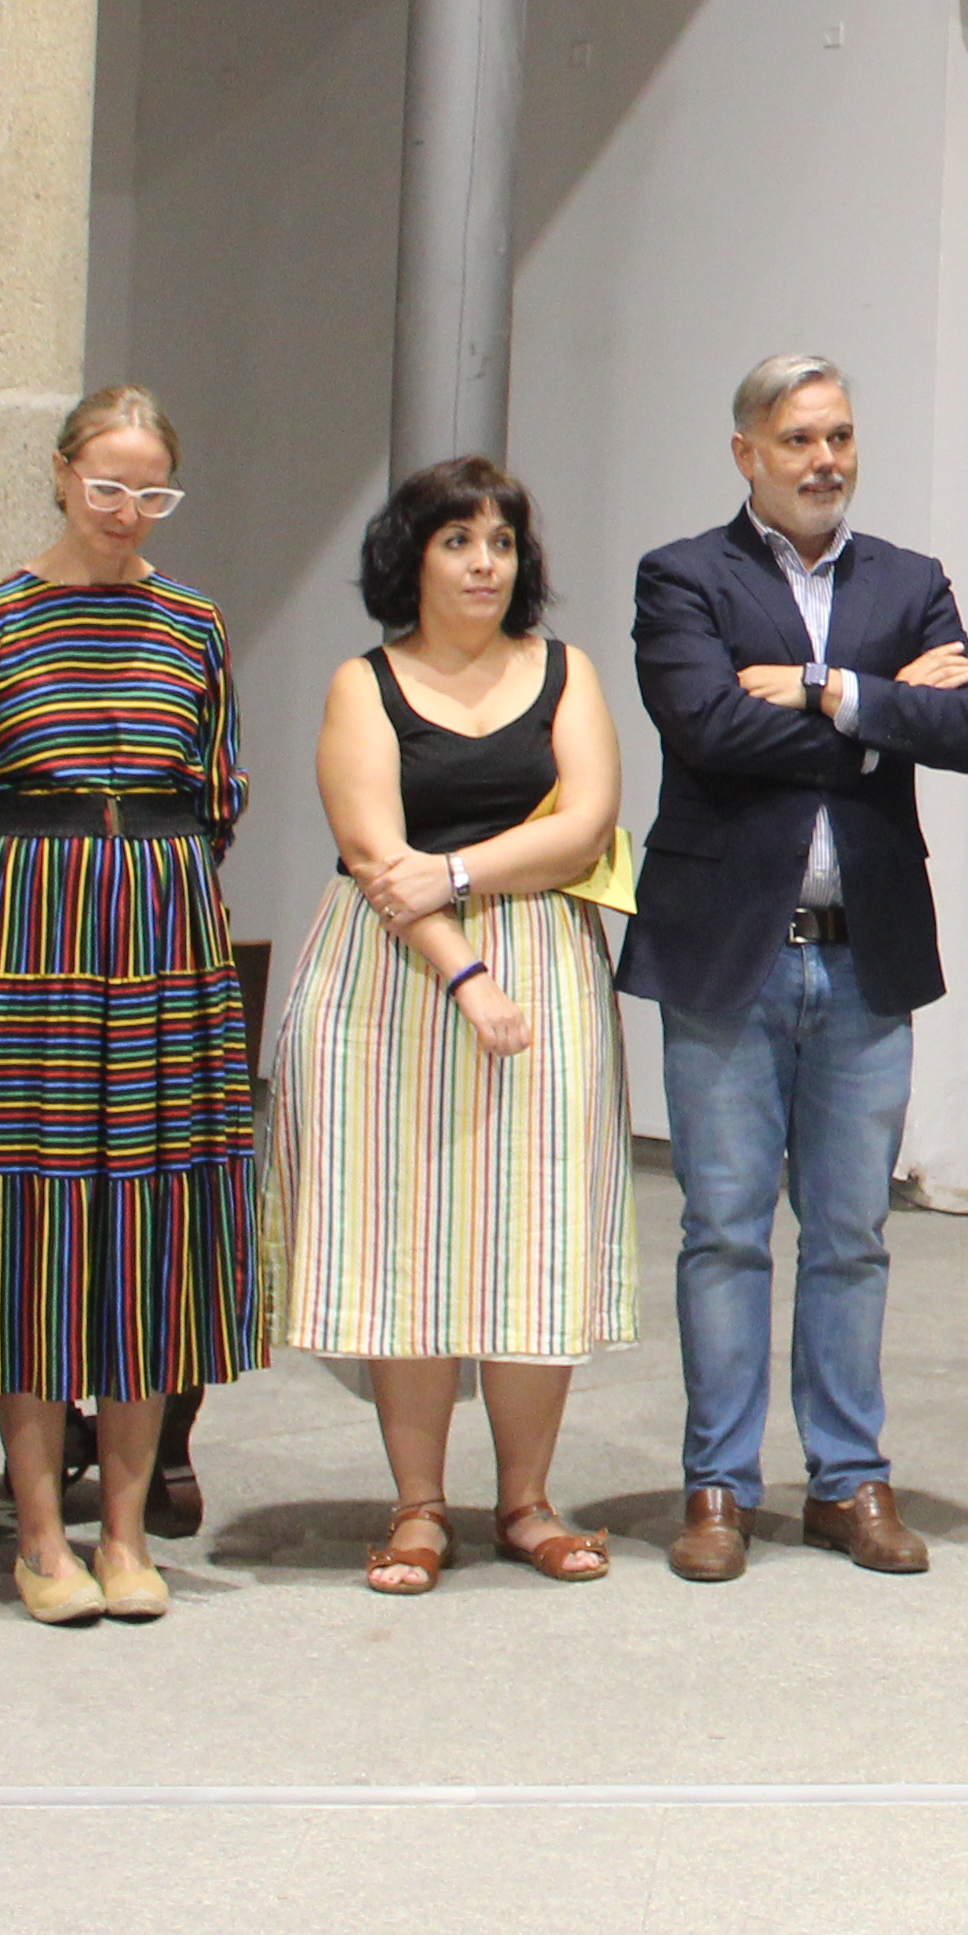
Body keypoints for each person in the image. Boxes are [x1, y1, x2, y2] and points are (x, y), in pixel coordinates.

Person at [619, 353, 968, 1583]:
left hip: (864, 959)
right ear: (747, 453)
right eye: (797, 440)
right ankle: (720, 1488)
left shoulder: (909, 579)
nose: (824, 460)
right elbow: (707, 728)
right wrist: (882, 720)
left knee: (851, 1235)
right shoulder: (684, 576)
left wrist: (832, 688)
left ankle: (848, 1481)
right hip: (729, 955)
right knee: (723, 1231)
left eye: (838, 435)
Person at [0, 384, 257, 1628]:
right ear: (61, 476)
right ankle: (40, 1536)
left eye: (150, 492)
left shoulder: (193, 623)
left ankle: (125, 1531)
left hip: (166, 934)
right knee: (30, 1218)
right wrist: (18, 912)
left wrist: (142, 887)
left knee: (151, 1219)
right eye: (107, 486)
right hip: (29, 940)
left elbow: (217, 796)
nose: (125, 512)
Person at [263, 459, 639, 1595]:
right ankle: (417, 1507)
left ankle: (525, 1501)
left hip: (545, 961)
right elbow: (380, 862)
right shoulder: (360, 685)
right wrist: (465, 972)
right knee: (406, 1234)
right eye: (459, 543)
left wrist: (462, 869)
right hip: (395, 976)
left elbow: (587, 823)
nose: (485, 564)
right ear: (412, 559)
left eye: (503, 544)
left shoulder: (565, 673)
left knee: (539, 1230)